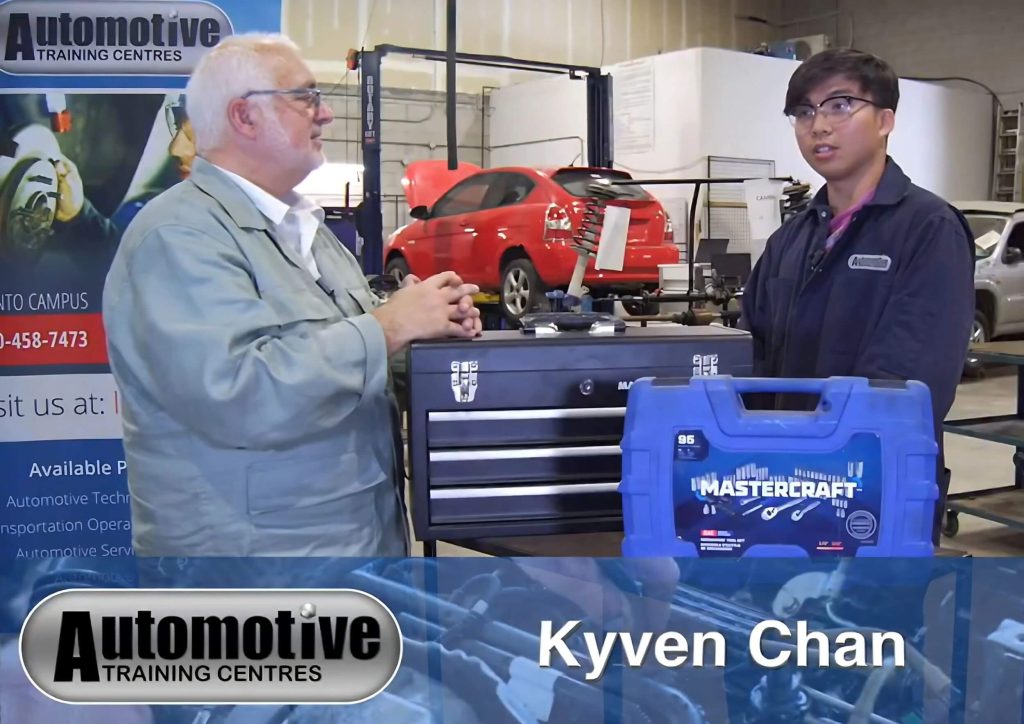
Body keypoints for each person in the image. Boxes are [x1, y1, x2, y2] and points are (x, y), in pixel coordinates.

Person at [102, 33, 482, 558]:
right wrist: (389, 325)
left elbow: (346, 373)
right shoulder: (178, 237)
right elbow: (240, 393)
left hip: (353, 548)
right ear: (245, 117)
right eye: (305, 97)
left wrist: (427, 337)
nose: (325, 113)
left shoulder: (309, 232)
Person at [740, 48, 975, 544]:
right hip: (781, 489)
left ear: (885, 119)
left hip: (876, 495)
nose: (818, 125)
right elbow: (752, 356)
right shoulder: (790, 240)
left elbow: (913, 381)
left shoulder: (928, 229)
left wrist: (823, 464)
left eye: (840, 105)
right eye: (803, 111)